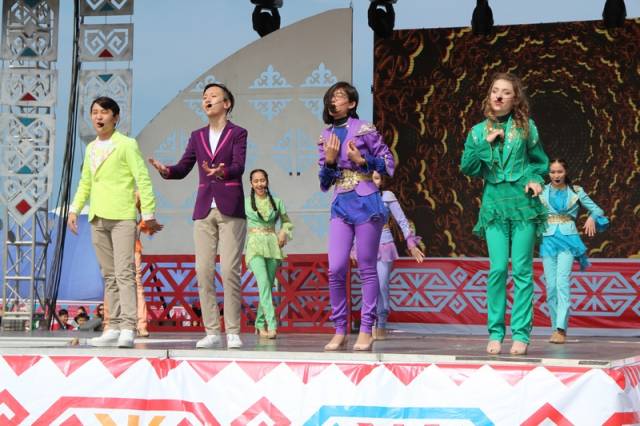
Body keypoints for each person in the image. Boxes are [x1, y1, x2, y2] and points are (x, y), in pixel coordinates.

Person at [148, 83, 248, 349]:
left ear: (226, 103)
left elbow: (239, 166)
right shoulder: (197, 136)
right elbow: (183, 167)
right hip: (204, 208)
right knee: (203, 270)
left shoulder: (238, 133)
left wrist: (222, 172)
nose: (207, 100)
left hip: (231, 207)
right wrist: (166, 171)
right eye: (204, 97)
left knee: (229, 270)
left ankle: (233, 331)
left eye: (213, 96)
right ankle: (212, 331)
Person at [460, 72, 549, 356]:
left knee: (522, 270)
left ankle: (521, 334)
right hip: (494, 205)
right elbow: (468, 167)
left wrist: (535, 179)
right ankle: (496, 332)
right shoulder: (477, 131)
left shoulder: (526, 128)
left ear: (515, 99)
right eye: (495, 90)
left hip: (523, 203)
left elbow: (540, 163)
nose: (498, 96)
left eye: (506, 92)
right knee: (498, 268)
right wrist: (486, 143)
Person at [68, 96, 159, 348]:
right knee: (108, 275)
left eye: (104, 112)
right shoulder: (91, 148)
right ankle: (113, 326)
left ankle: (129, 326)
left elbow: (143, 178)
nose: (98, 117)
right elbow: (86, 182)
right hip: (98, 217)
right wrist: (74, 209)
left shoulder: (127, 144)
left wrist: (148, 212)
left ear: (115, 117)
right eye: (95, 112)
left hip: (122, 216)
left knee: (125, 273)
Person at [317, 81, 395, 351]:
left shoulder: (364, 129)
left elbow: (388, 162)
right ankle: (340, 329)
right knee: (336, 267)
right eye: (331, 96)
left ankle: (366, 329)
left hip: (366, 200)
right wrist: (330, 160)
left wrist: (363, 161)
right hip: (341, 202)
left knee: (366, 266)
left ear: (351, 103)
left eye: (339, 96)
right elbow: (324, 183)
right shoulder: (325, 136)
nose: (334, 100)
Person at [540, 158, 607, 344]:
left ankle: (561, 329)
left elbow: (598, 210)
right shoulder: (541, 190)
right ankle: (555, 328)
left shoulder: (576, 191)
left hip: (568, 240)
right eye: (553, 172)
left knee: (562, 283)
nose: (556, 175)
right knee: (551, 287)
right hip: (548, 239)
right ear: (549, 173)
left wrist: (592, 217)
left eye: (559, 171)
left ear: (566, 172)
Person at [369, 170, 424, 340]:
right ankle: (369, 325)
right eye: (370, 178)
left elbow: (402, 221)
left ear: (382, 180)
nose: (373, 181)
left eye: (377, 178)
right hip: (366, 246)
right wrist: (353, 247)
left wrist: (411, 244)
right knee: (369, 287)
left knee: (381, 285)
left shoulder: (387, 196)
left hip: (384, 245)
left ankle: (382, 323)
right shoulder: (358, 197)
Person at [244, 169, 293, 339]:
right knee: (264, 284)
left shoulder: (277, 202)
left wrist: (283, 232)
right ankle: (272, 325)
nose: (259, 184)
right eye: (256, 181)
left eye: (262, 180)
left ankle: (259, 324)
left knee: (267, 286)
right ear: (251, 184)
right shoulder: (245, 203)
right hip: (254, 246)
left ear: (267, 181)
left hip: (273, 245)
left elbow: (287, 222)